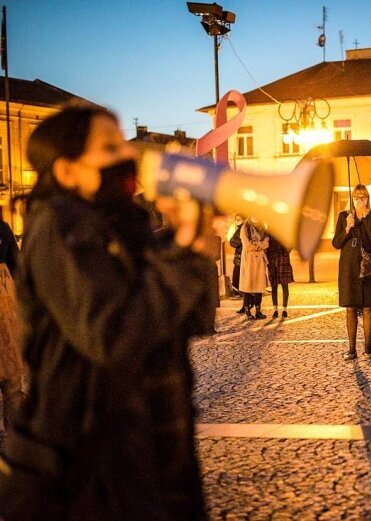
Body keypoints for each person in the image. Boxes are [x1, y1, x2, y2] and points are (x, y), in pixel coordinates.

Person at [0, 105, 216, 519]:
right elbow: (112, 338)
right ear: (66, 172)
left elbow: (191, 318)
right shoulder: (60, 228)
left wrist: (188, 238)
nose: (126, 155)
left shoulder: (124, 224)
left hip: (153, 451)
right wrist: (183, 256)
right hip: (89, 466)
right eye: (109, 147)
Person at [332, 184, 371, 360]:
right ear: (352, 198)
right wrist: (347, 228)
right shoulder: (344, 216)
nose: (360, 200)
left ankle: (368, 348)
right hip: (349, 265)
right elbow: (336, 243)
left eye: (363, 197)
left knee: (368, 307)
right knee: (350, 308)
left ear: (368, 198)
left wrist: (366, 216)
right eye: (357, 196)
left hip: (368, 264)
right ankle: (351, 348)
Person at [0, 214, 23, 432]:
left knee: (12, 387)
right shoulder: (3, 229)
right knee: (12, 388)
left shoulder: (3, 230)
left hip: (6, 319)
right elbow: (18, 269)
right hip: (6, 318)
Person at [239, 217, 269, 320]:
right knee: (248, 284)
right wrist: (258, 246)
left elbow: (266, 243)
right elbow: (247, 245)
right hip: (249, 260)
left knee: (259, 285)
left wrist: (257, 245)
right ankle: (247, 310)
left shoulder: (263, 227)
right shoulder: (245, 228)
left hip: (260, 259)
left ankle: (258, 310)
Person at [267, 234, 293, 319]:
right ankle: (275, 310)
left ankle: (284, 309)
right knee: (274, 287)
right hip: (273, 262)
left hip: (283, 261)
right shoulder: (270, 233)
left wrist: (285, 250)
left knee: (284, 286)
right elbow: (267, 247)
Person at [229, 214, 246, 313]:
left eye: (239, 219)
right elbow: (232, 241)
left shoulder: (244, 229)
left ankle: (247, 304)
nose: (237, 221)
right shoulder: (238, 229)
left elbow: (234, 241)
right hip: (240, 258)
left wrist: (238, 243)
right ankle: (245, 305)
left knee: (241, 279)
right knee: (238, 277)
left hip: (243, 258)